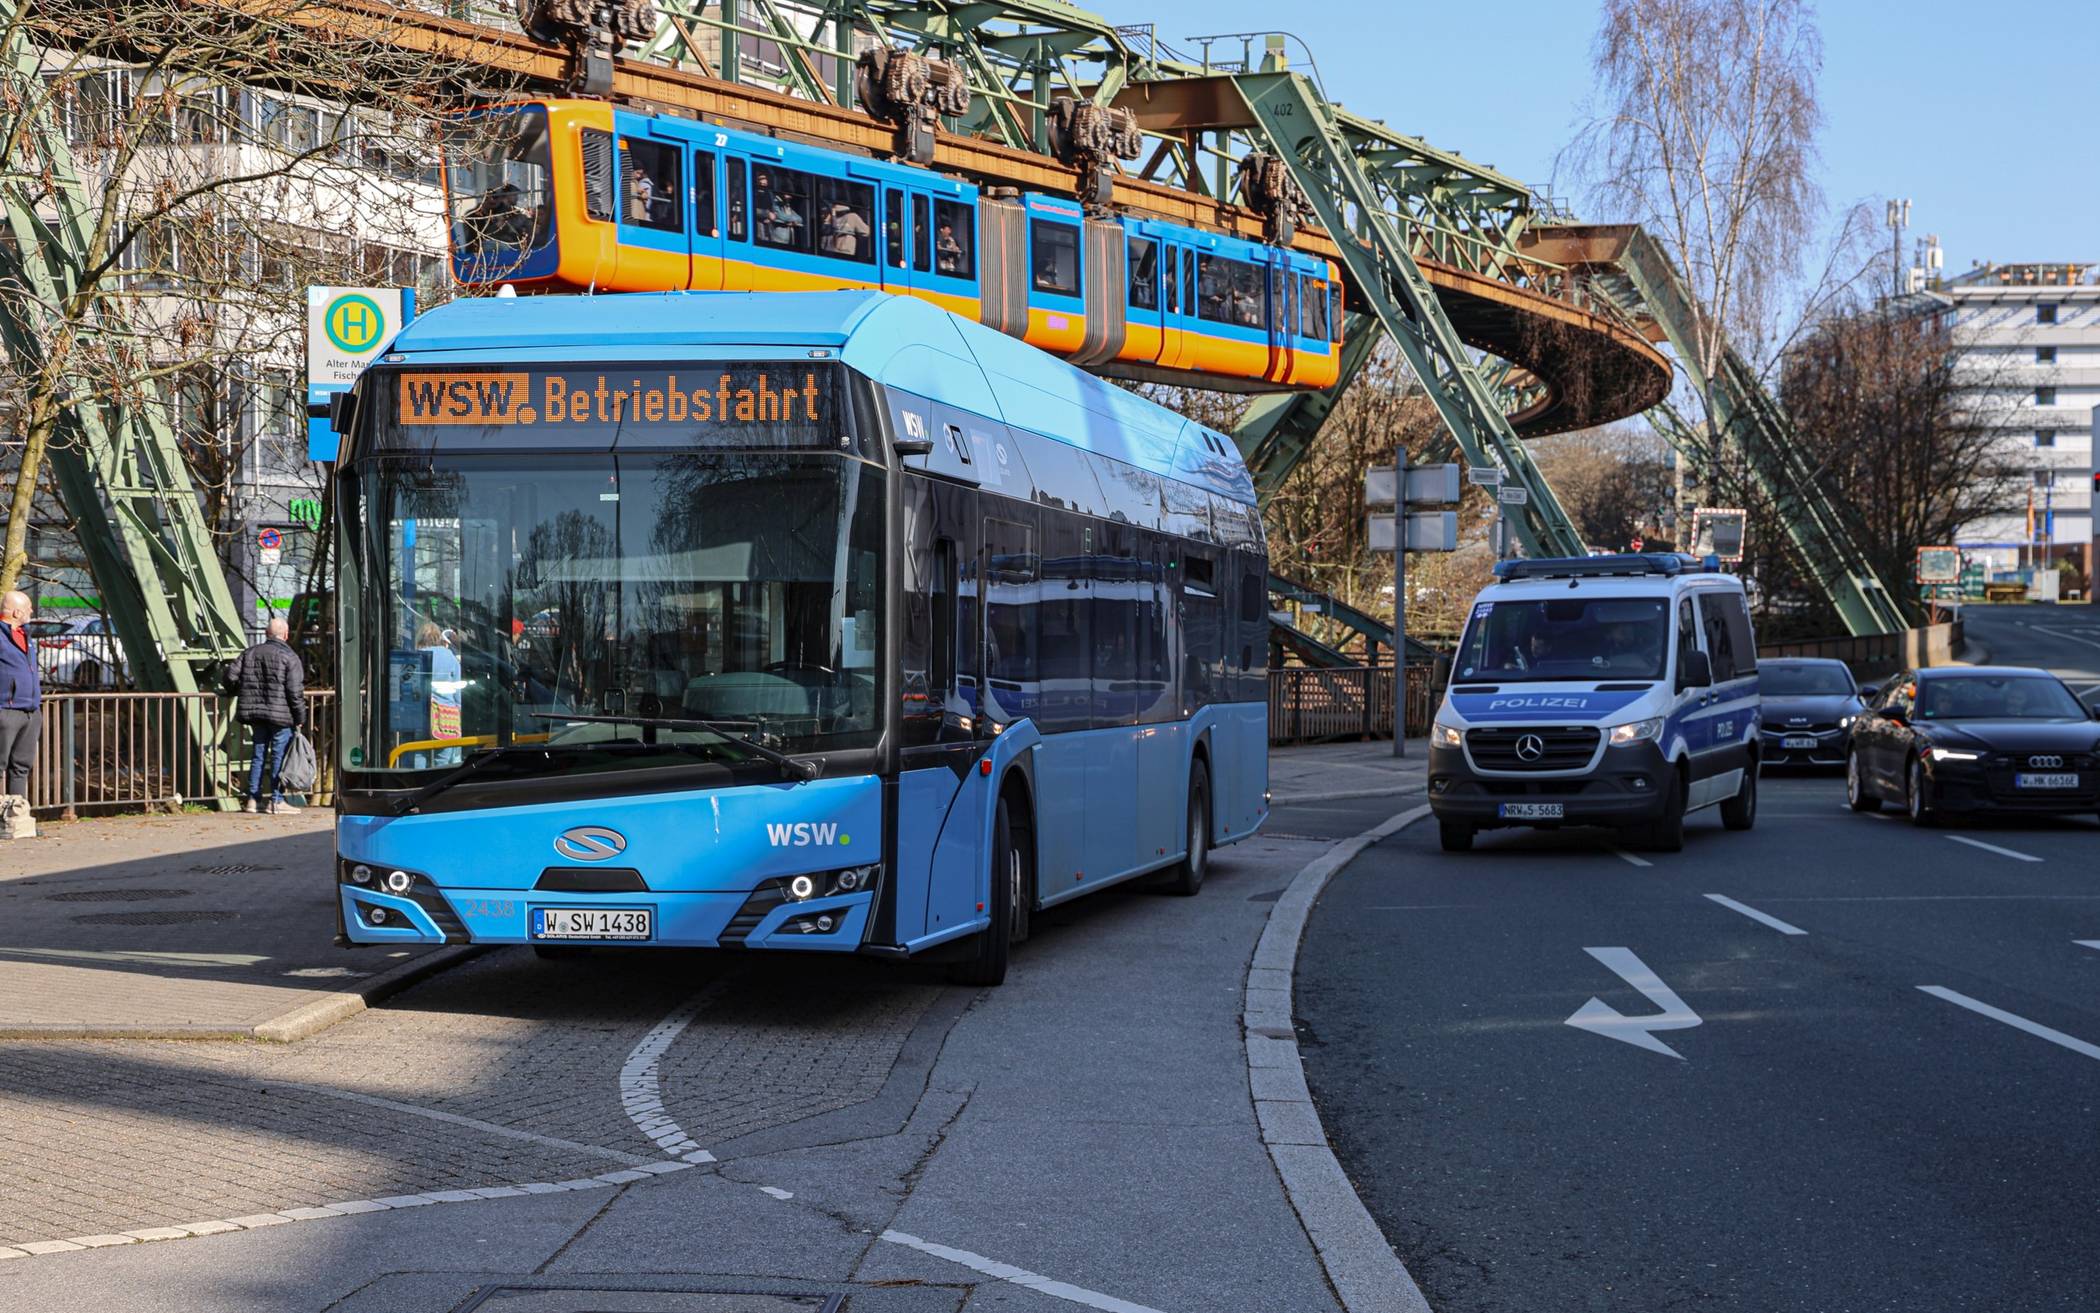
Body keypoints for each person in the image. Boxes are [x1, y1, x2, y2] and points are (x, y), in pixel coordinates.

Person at [228, 616, 306, 814]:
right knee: (279, 756)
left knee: (258, 756)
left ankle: (252, 801)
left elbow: (230, 676)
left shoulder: (249, 653)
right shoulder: (290, 657)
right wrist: (300, 718)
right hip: (281, 716)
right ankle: (276, 801)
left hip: (255, 714)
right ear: (286, 635)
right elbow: (294, 692)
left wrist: (237, 689)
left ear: (266, 634)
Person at [0, 591, 40, 800]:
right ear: (16, 612)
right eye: (28, 607)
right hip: (6, 710)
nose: (31, 611)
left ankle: (17, 818)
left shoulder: (25, 635)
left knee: (21, 767)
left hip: (30, 711)